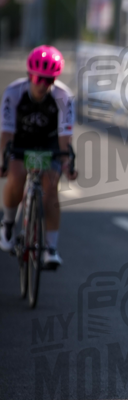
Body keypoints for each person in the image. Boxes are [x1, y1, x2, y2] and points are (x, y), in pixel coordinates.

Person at [0, 45, 77, 268]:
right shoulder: (14, 92)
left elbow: (65, 135)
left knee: (51, 187)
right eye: (38, 78)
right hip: (21, 141)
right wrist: (4, 160)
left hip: (49, 143)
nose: (43, 84)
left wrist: (66, 164)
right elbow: (6, 131)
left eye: (49, 80)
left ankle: (50, 249)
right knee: (16, 174)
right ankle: (7, 225)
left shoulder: (63, 95)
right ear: (29, 75)